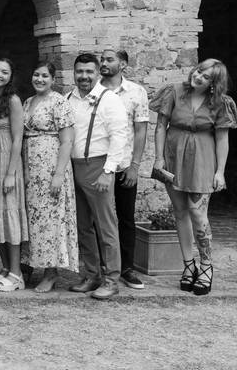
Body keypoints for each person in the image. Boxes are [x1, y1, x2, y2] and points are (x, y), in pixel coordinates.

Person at [150, 58, 237, 296]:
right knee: (179, 212)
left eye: (206, 76)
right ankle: (188, 265)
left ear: (214, 83)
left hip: (203, 159)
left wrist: (220, 171)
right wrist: (158, 159)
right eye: (199, 71)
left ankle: (206, 266)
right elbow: (160, 126)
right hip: (173, 155)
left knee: (198, 213)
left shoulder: (221, 103)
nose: (198, 77)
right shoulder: (174, 91)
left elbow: (222, 139)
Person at [66, 53, 130, 300]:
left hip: (98, 166)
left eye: (89, 72)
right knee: (83, 226)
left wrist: (108, 170)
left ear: (97, 73)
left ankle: (112, 279)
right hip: (75, 166)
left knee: (106, 226)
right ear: (74, 72)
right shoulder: (68, 98)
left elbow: (119, 135)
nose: (84, 76)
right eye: (80, 71)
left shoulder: (109, 99)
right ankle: (91, 275)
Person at [20, 61, 78, 293]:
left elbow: (67, 141)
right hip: (30, 166)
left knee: (51, 219)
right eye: (36, 74)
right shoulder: (27, 102)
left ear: (53, 79)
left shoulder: (59, 102)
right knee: (33, 218)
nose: (40, 79)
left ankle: (51, 272)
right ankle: (30, 264)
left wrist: (58, 175)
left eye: (44, 76)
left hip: (51, 167)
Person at [99, 49, 150, 291]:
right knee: (99, 218)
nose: (104, 63)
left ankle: (127, 268)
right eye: (102, 59)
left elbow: (140, 131)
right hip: (97, 166)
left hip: (124, 165)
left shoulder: (136, 92)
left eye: (109, 59)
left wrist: (135, 166)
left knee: (125, 217)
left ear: (123, 64)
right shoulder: (94, 90)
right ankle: (103, 266)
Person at [0, 58, 28, 292]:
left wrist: (11, 173)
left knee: (9, 215)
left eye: (4, 71)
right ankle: (6, 267)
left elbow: (18, 137)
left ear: (11, 76)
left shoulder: (13, 100)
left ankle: (17, 273)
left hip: (7, 159)